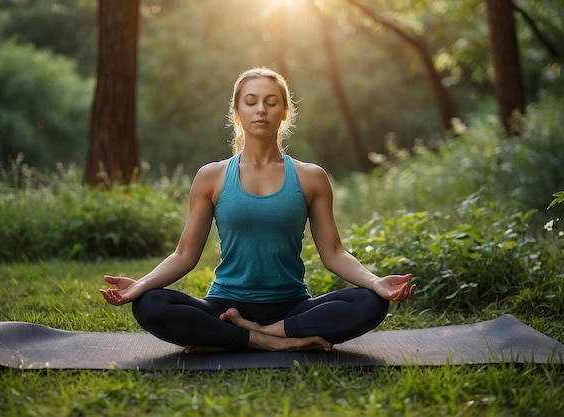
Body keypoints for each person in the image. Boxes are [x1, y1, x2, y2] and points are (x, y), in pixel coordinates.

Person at [100, 67, 416, 352]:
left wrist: (375, 281)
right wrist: (141, 284)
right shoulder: (212, 176)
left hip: (291, 307)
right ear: (237, 113)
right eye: (251, 101)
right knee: (150, 304)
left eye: (271, 101)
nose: (261, 109)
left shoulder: (311, 177)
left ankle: (246, 335)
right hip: (225, 306)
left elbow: (334, 253)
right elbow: (184, 255)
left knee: (370, 302)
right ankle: (268, 340)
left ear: (285, 113)